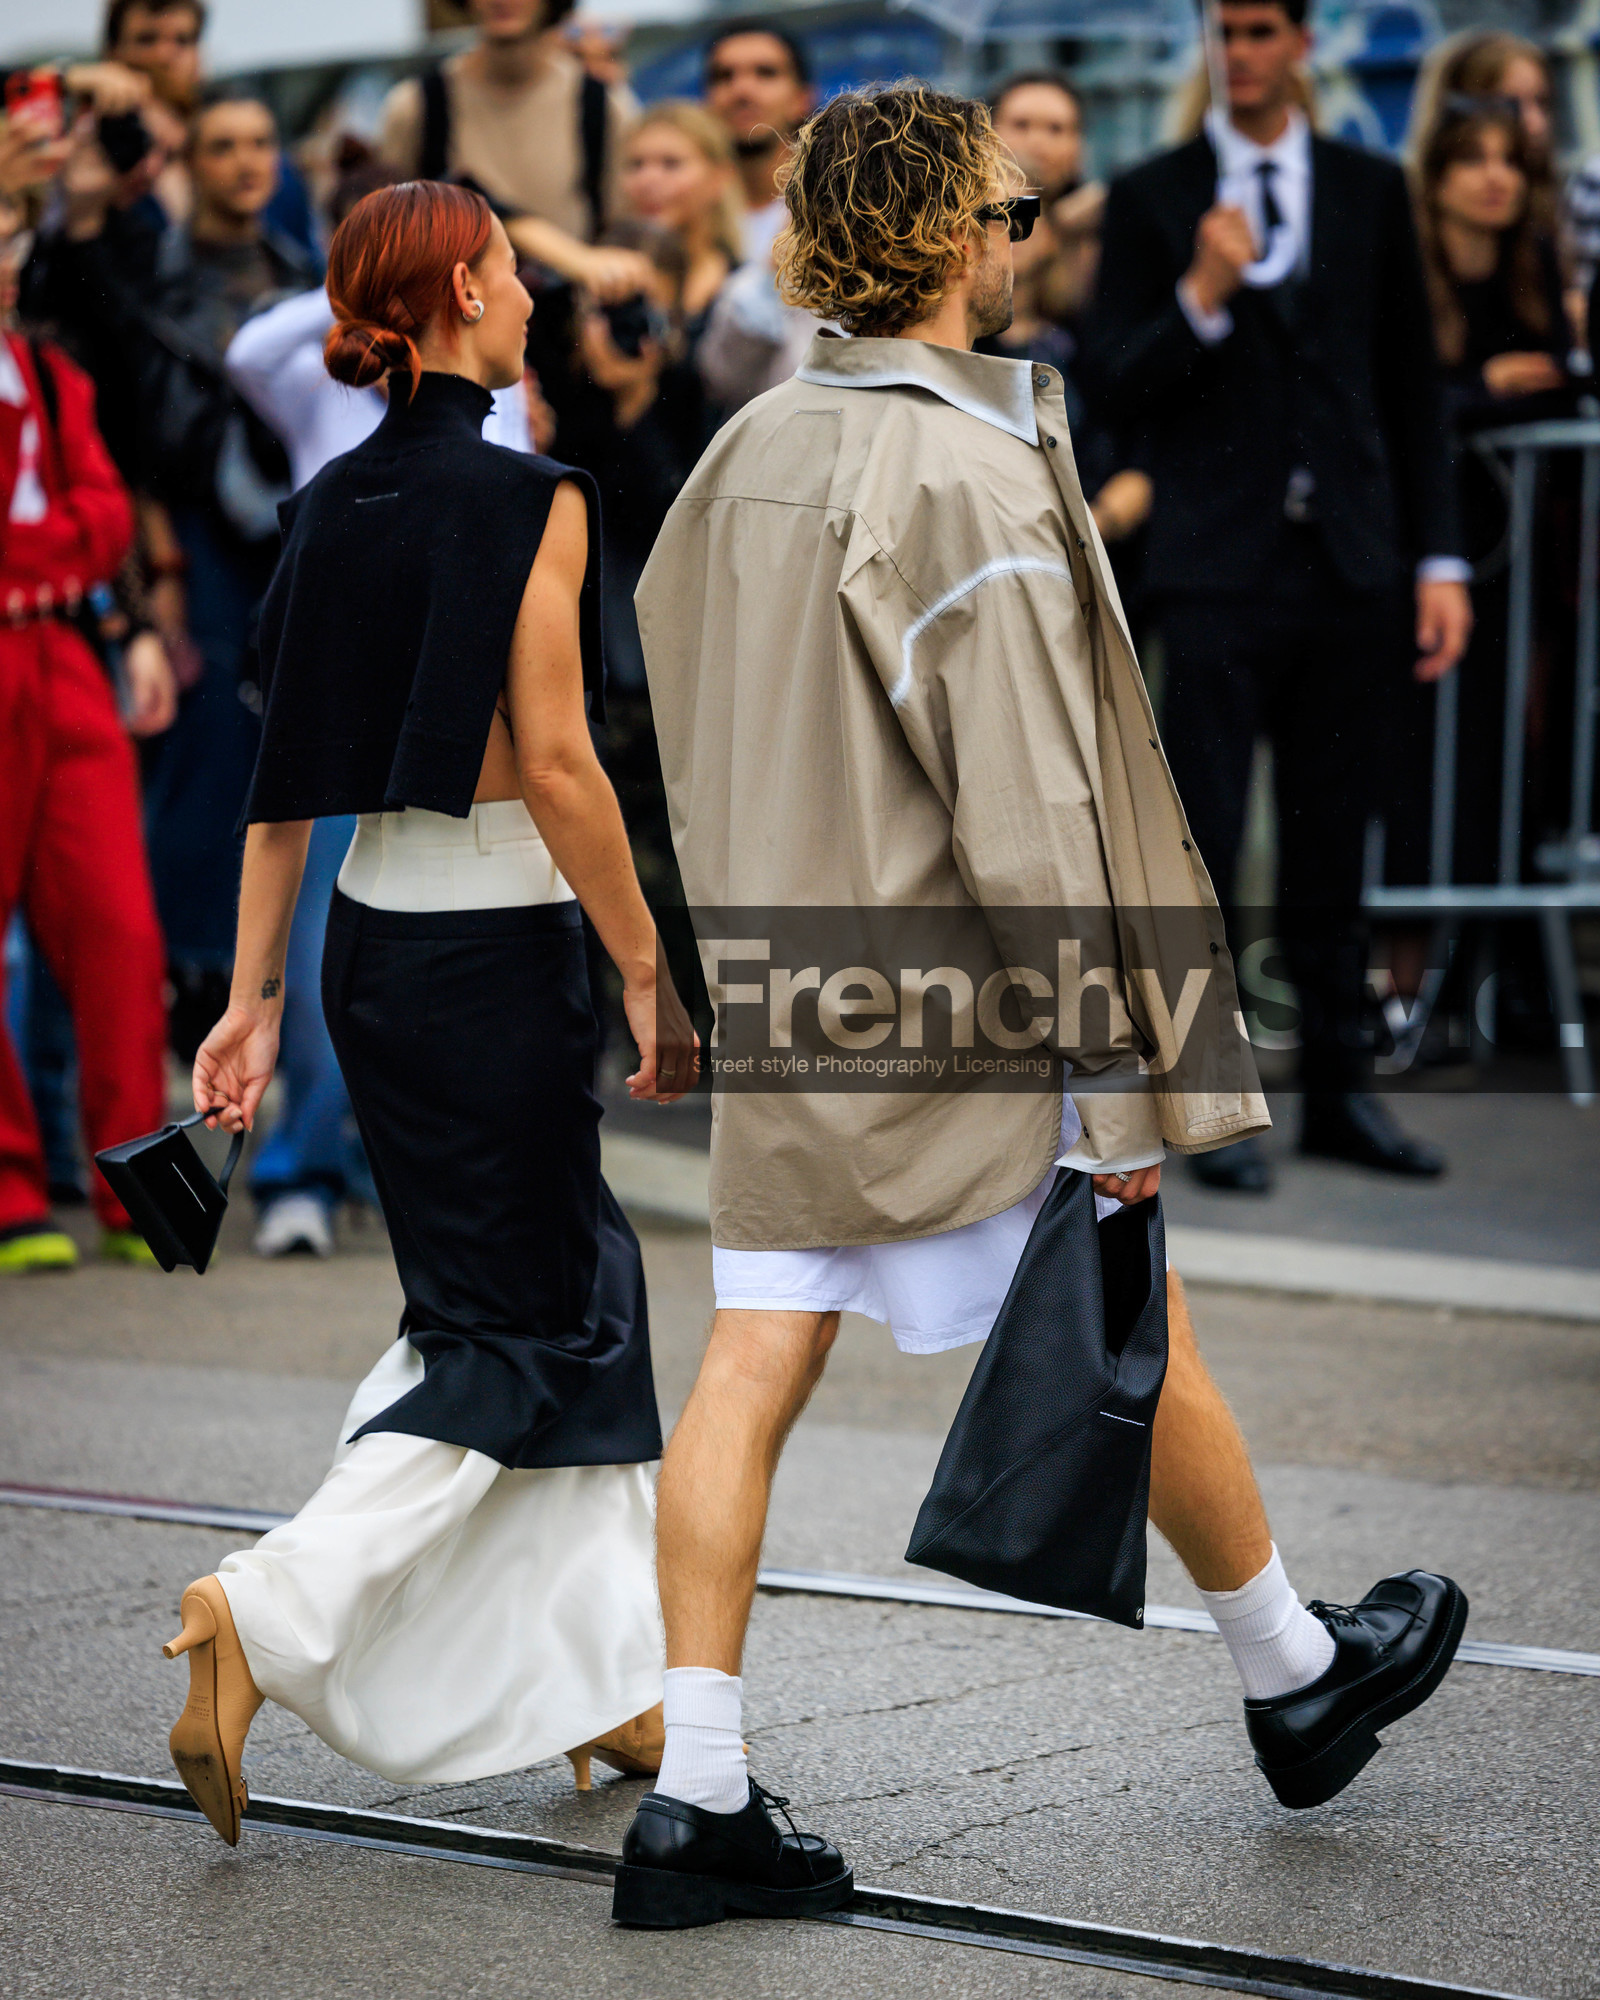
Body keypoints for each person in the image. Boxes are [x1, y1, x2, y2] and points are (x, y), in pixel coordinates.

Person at [616, 83, 1467, 1929]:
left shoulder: (742, 450)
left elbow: (674, 704)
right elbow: (1026, 800)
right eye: (1012, 214)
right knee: (1124, 1310)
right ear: (938, 235)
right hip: (962, 995)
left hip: (796, 973)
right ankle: (1292, 1675)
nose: (1035, 236)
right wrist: (1110, 1078)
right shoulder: (965, 470)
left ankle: (694, 1791)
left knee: (747, 1374)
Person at [162, 181, 700, 1845]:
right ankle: (267, 1607)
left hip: (375, 960)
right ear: (464, 291)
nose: (537, 285)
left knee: (566, 1290)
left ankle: (606, 1679)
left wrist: (251, 1002)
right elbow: (555, 760)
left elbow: (280, 786)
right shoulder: (533, 495)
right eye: (518, 265)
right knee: (518, 1324)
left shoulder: (331, 503)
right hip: (502, 957)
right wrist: (643, 959)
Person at [1082, 0, 1473, 1193]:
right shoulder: (1155, 192)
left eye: (1260, 30)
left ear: (1302, 43)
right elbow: (1115, 380)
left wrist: (1438, 560)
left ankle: (1342, 1097)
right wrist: (1201, 289)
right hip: (1215, 567)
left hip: (1350, 562)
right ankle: (1207, 1107)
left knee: (1330, 835)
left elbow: (1413, 382)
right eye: (1225, 30)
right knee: (1197, 839)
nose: (1239, 51)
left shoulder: (1368, 185)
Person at [225, 148, 538, 1257]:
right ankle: (305, 1162)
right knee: (326, 921)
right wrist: (376, 273)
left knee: (393, 948)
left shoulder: (506, 423)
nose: (526, 289)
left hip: (479, 719)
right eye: (502, 263)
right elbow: (247, 350)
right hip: (380, 682)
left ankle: (358, 1157)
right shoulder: (329, 387)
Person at [47, 87, 317, 1060]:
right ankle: (182, 982)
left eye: (261, 142)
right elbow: (121, 434)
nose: (246, 162)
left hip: (289, 540)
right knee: (196, 769)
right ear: (184, 164)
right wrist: (153, 563)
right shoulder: (143, 281)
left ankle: (251, 991)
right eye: (221, 146)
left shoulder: (305, 276)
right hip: (186, 544)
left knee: (289, 773)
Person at [0, 156, 169, 1274]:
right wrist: (50, 554)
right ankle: (14, 1190)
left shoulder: (50, 371)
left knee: (119, 927)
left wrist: (49, 565)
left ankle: (138, 1188)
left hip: (60, 651)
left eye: (12, 232)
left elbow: (106, 510)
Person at [1392, 97, 1569, 894]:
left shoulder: (1534, 267)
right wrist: (1479, 390)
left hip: (1515, 554)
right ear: (1435, 176)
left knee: (1505, 755)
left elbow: (1562, 387)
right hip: (1416, 552)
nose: (1495, 178)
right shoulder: (1401, 269)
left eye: (1509, 160)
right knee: (1414, 759)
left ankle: (1490, 979)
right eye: (1473, 158)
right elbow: (1388, 397)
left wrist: (1480, 395)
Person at [379, 0, 652, 305]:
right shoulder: (416, 107)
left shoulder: (605, 105)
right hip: (460, 323)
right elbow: (392, 239)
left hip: (572, 322)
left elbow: (626, 233)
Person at [694, 20, 817, 415]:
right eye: (723, 76)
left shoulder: (831, 215)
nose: (741, 90)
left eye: (765, 73)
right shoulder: (685, 214)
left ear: (802, 98)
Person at [619, 102, 742, 361]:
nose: (647, 180)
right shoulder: (604, 287)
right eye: (636, 165)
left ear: (719, 177)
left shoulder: (742, 290)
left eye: (671, 164)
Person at [990, 70, 1105, 329]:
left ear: (1080, 145)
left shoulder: (1101, 231)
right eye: (1021, 125)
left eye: (1056, 129)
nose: (1037, 142)